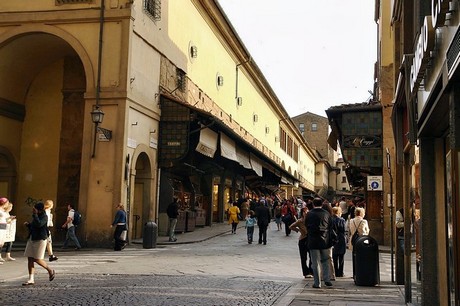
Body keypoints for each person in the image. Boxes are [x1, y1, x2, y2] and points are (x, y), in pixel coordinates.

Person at [23, 201, 55, 286]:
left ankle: (49, 270)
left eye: (35, 208)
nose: (33, 210)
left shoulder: (44, 216)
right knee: (30, 258)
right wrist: (29, 225)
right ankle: (31, 279)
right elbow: (34, 226)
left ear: (39, 210)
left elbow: (39, 224)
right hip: (32, 238)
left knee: (37, 259)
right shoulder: (36, 216)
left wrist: (35, 215)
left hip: (40, 239)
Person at [305, 197, 334, 288]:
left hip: (313, 241)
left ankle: (317, 283)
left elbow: (306, 225)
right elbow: (330, 227)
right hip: (325, 241)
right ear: (321, 204)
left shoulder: (309, 214)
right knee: (325, 260)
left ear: (313, 204)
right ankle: (327, 279)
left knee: (315, 262)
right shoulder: (327, 214)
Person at [289, 207, 313, 278]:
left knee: (312, 256)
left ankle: (311, 271)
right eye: (304, 212)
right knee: (303, 257)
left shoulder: (311, 220)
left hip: (310, 239)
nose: (306, 213)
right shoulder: (300, 221)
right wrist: (297, 230)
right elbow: (291, 226)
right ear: (302, 213)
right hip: (303, 239)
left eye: (307, 212)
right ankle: (306, 272)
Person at [331, 206, 346, 277]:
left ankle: (335, 271)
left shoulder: (331, 220)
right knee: (341, 257)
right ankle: (340, 272)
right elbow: (343, 230)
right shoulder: (342, 220)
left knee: (334, 257)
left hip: (333, 239)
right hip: (341, 238)